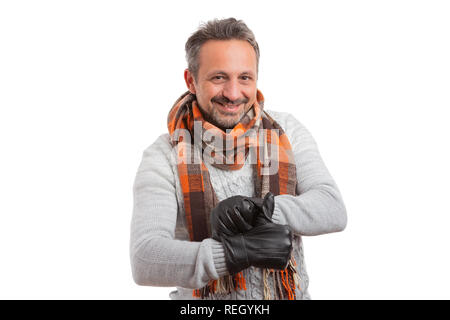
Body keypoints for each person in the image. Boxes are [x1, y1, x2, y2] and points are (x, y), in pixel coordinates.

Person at [129, 17, 347, 300]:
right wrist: (233, 254)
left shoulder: (287, 131)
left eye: (244, 77)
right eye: (219, 77)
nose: (233, 94)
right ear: (191, 80)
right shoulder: (164, 156)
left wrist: (262, 210)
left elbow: (332, 209)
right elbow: (145, 258)